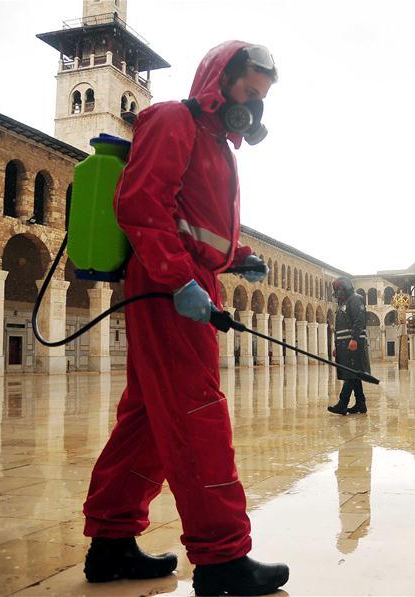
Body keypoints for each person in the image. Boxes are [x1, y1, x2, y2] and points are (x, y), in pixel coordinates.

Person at [81, 41, 289, 597]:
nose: (254, 105)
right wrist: (180, 281)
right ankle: (222, 559)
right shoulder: (175, 119)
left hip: (191, 278)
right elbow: (142, 205)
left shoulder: (218, 144)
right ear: (220, 80)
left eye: (261, 98)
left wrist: (236, 255)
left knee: (148, 419)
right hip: (167, 284)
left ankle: (110, 543)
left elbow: (194, 220)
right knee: (197, 412)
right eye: (249, 91)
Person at [328, 277, 371, 415]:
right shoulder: (342, 303)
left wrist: (355, 339)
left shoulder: (355, 299)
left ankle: (343, 403)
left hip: (353, 344)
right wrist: (336, 346)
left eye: (339, 290)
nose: (338, 294)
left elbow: (359, 320)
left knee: (351, 374)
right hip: (343, 345)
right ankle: (360, 403)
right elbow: (340, 327)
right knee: (354, 373)